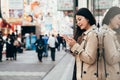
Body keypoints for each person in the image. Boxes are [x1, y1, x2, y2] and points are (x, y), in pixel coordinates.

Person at [62, 8, 98, 80]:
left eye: (80, 19)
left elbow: (90, 59)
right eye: (76, 21)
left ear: (87, 18)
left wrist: (75, 46)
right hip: (80, 73)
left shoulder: (92, 34)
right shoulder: (84, 34)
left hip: (87, 76)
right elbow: (79, 55)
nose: (78, 22)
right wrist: (72, 45)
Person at [100, 6, 120, 80]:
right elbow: (111, 59)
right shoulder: (107, 34)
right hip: (111, 75)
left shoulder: (110, 33)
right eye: (119, 18)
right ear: (111, 17)